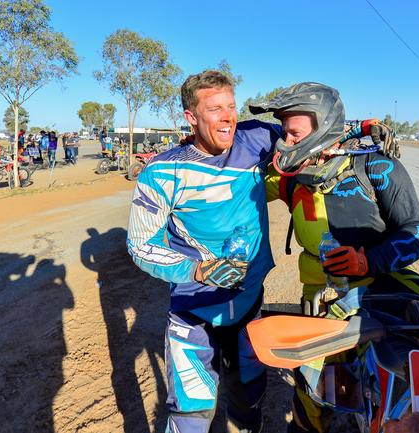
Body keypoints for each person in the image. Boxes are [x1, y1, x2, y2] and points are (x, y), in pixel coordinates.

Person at [250, 82, 419, 433]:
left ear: (322, 125)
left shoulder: (377, 168)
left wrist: (368, 260)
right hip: (320, 299)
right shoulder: (290, 177)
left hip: (385, 288)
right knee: (312, 394)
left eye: (294, 133)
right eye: (284, 133)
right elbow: (236, 174)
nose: (286, 142)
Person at [127, 70, 280, 433]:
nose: (228, 117)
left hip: (248, 305)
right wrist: (199, 270)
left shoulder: (257, 138)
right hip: (193, 312)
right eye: (215, 110)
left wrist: (358, 131)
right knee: (191, 414)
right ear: (191, 118)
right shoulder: (162, 171)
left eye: (231, 106)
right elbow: (140, 245)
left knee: (249, 401)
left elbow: (303, 135)